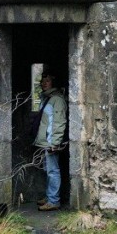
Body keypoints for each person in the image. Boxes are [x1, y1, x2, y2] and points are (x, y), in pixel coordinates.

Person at [34, 71, 67, 211]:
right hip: (45, 141)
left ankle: (54, 200)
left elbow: (59, 122)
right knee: (48, 170)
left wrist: (55, 142)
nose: (43, 83)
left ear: (53, 83)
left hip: (50, 142)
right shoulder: (47, 98)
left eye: (47, 81)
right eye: (43, 80)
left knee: (53, 171)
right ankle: (49, 197)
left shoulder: (57, 100)